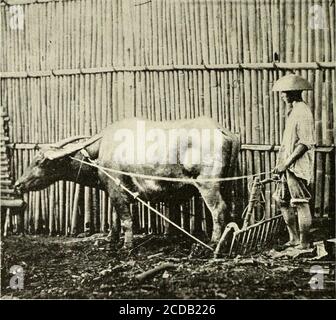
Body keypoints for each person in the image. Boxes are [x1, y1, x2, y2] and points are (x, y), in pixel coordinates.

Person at [272, 74, 315, 250]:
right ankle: (294, 238)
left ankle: (304, 244)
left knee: (300, 203)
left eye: (284, 93)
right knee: (282, 200)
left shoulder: (303, 112)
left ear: (291, 94)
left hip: (297, 167)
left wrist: (287, 163)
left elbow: (305, 143)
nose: (282, 96)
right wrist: (281, 163)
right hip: (287, 167)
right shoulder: (294, 111)